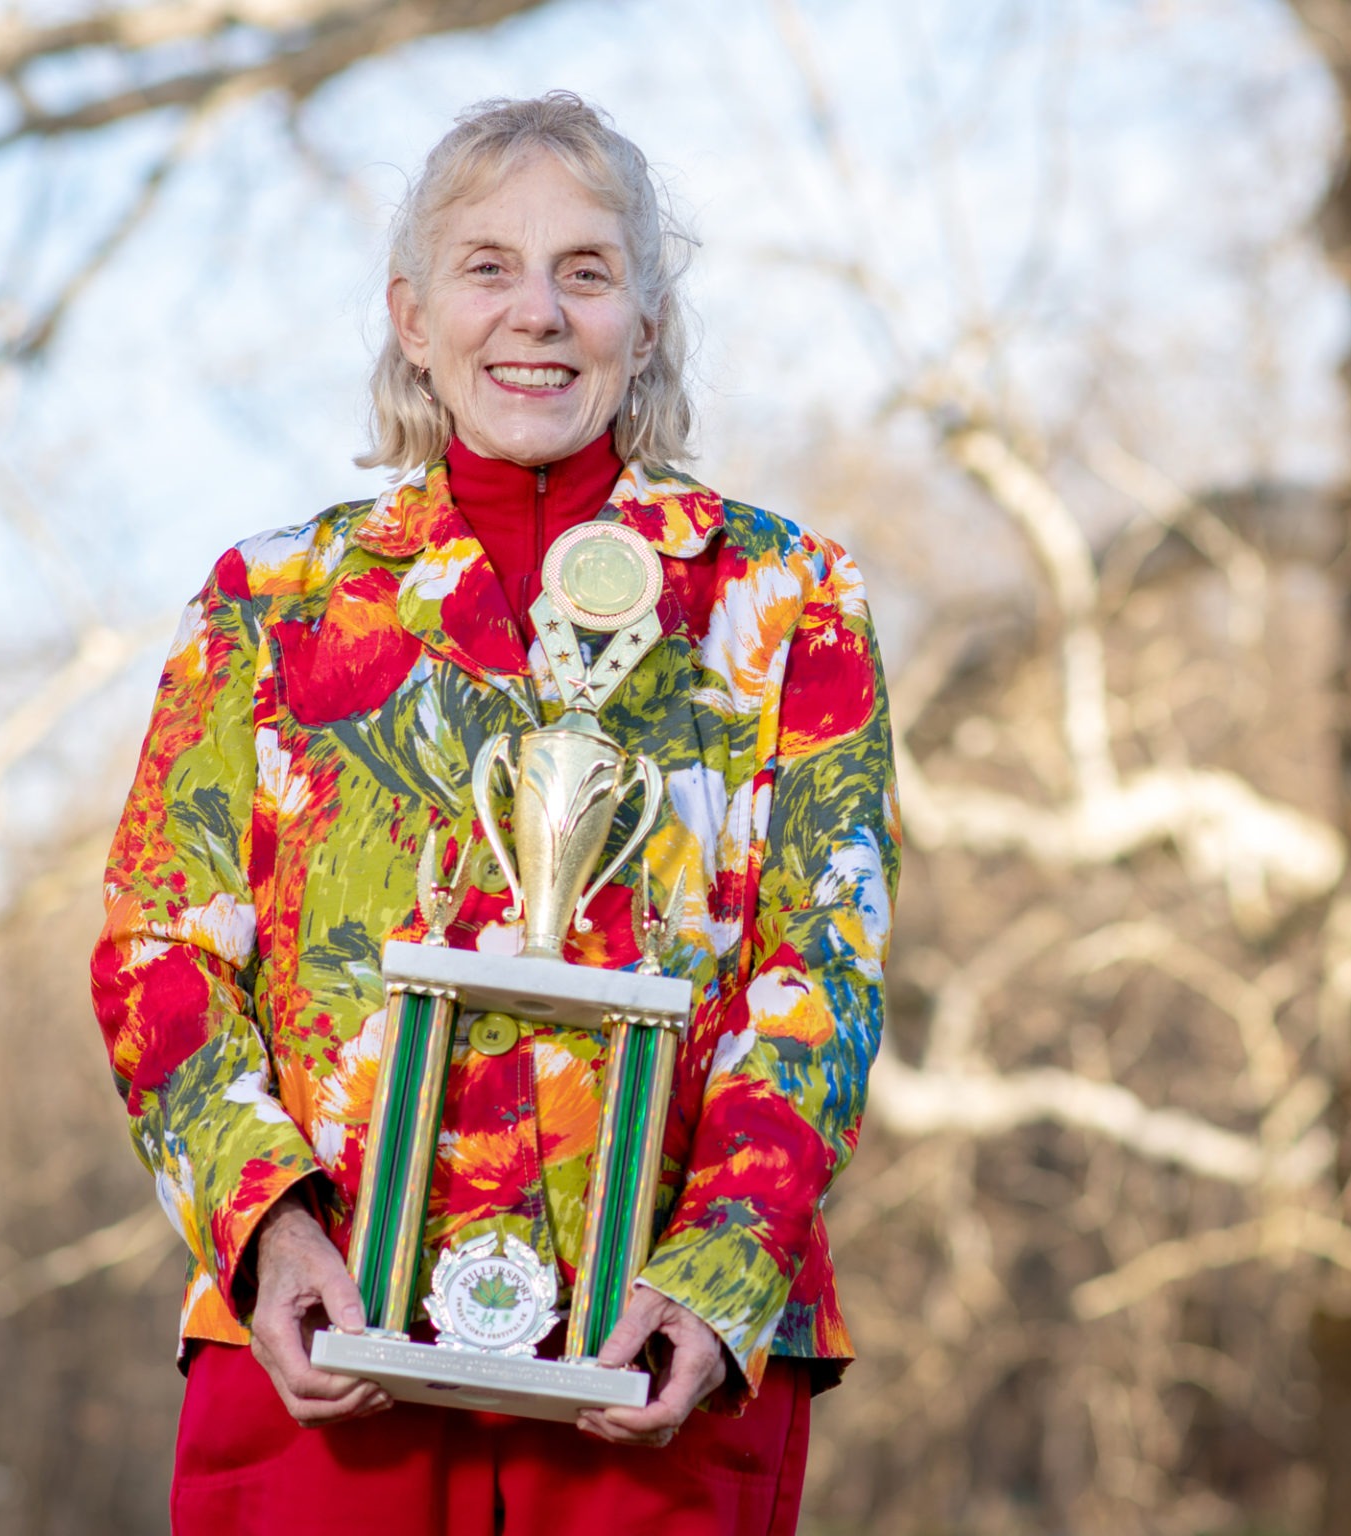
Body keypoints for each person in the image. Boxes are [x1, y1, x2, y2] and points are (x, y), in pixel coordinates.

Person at [89, 92, 897, 1535]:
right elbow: (161, 950)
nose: (538, 313)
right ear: (411, 316)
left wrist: (712, 1281)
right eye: (488, 268)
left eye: (586, 270)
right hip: (325, 1350)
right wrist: (267, 1230)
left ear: (644, 325)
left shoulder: (790, 603)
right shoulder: (268, 605)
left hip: (651, 1366)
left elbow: (823, 968)